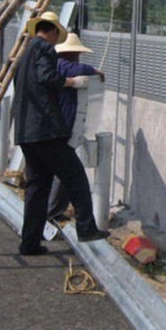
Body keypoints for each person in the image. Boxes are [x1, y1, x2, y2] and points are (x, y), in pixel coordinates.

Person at [12, 11, 109, 255]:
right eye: (58, 36)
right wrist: (73, 82)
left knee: (37, 186)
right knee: (75, 176)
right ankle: (87, 228)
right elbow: (47, 77)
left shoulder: (24, 55)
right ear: (53, 31)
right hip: (45, 131)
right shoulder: (44, 48)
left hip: (26, 132)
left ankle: (30, 243)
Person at [47, 32, 104, 220]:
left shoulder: (53, 66)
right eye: (76, 53)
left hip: (56, 126)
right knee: (68, 172)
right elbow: (82, 69)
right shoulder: (64, 66)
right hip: (63, 126)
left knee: (64, 172)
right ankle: (52, 212)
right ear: (71, 53)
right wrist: (96, 71)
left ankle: (54, 210)